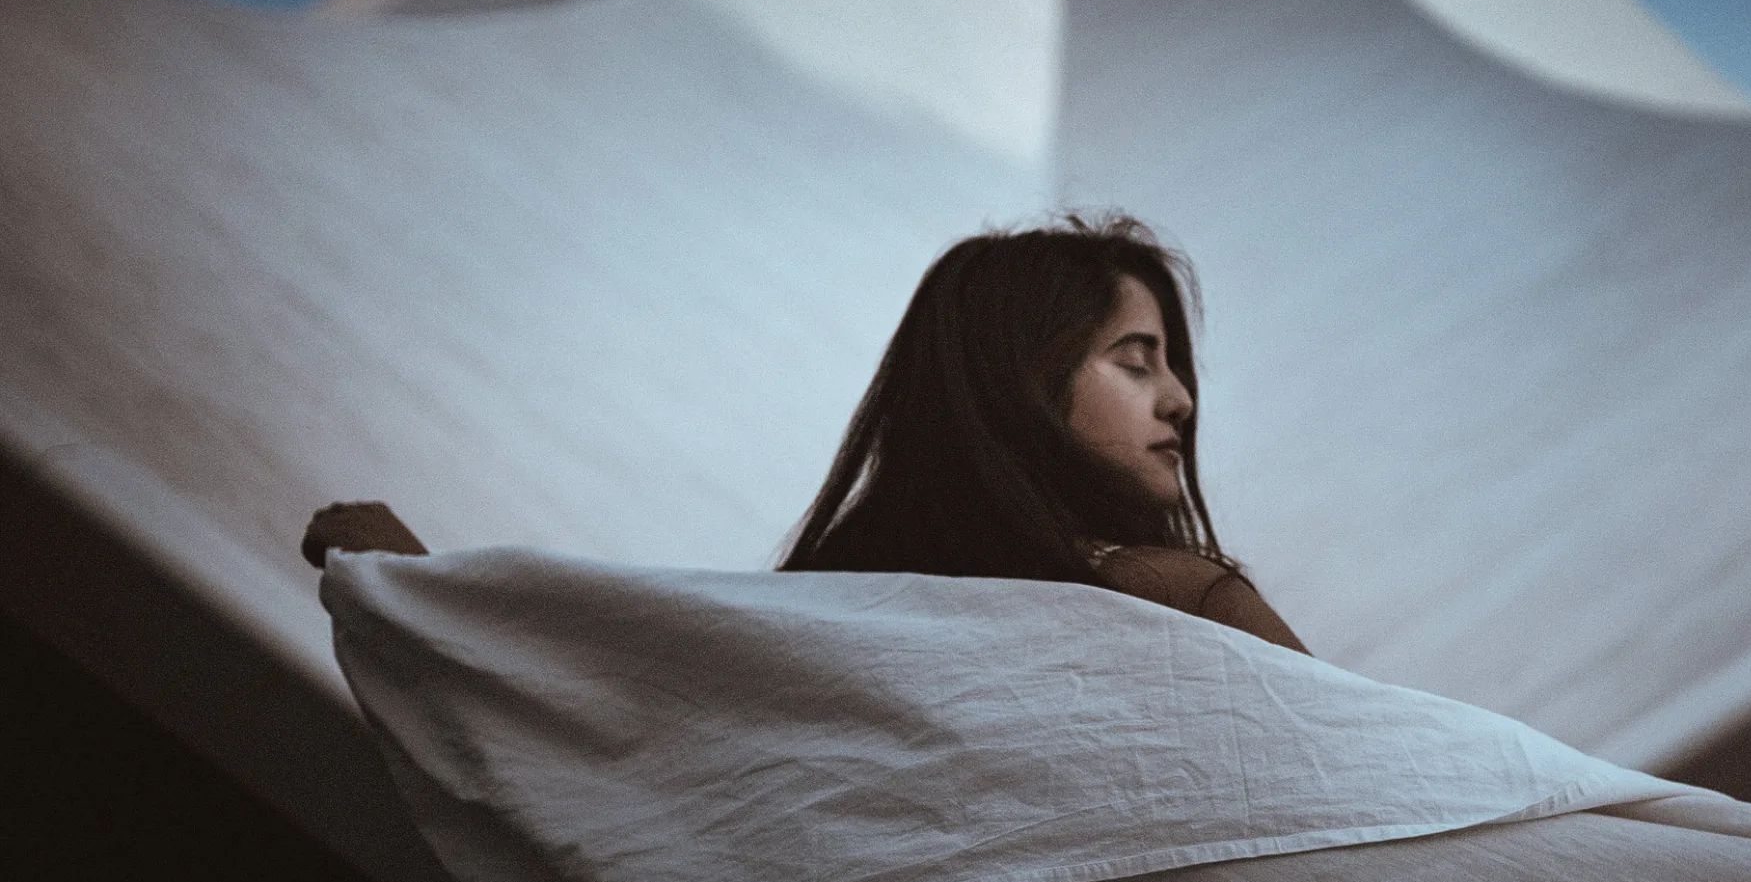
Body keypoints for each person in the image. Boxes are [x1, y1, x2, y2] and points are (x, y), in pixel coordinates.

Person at [302, 215, 1306, 653]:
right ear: (1022, 381)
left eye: (1172, 364)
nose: (1178, 398)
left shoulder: (831, 616)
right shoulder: (1178, 599)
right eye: (1136, 359)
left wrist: (423, 601)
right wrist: (420, 595)